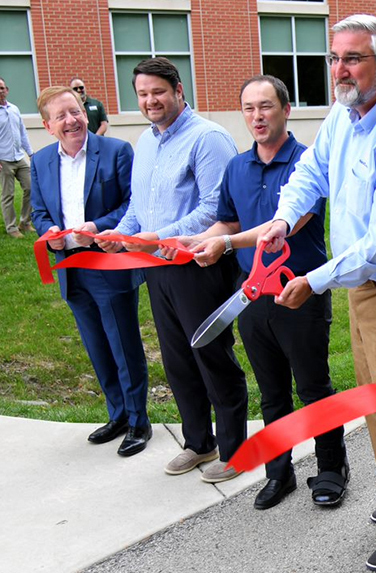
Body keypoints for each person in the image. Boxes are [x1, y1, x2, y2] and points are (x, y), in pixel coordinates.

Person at [262, 14, 376, 572]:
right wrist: (283, 218)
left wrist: (311, 281)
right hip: (362, 291)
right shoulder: (346, 116)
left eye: (354, 58)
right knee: (375, 403)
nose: (340, 69)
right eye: (335, 57)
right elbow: (312, 172)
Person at [178, 74, 349, 509]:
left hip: (300, 292)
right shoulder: (237, 166)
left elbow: (287, 224)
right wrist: (202, 240)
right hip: (252, 297)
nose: (257, 116)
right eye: (249, 108)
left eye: (266, 106)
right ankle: (279, 473)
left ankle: (332, 467)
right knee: (271, 392)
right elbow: (229, 223)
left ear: (286, 109)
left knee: (313, 388)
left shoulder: (308, 163)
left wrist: (227, 243)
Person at [96, 57, 248, 484]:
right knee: (178, 360)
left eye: (158, 92)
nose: (150, 101)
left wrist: (156, 236)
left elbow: (215, 211)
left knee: (212, 358)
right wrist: (122, 235)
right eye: (143, 94)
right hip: (156, 269)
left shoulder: (208, 138)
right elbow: (138, 209)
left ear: (179, 90)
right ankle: (199, 444)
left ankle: (235, 448)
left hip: (200, 266)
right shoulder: (145, 142)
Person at [30, 86, 150, 456]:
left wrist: (98, 227)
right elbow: (39, 212)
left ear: (86, 113)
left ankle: (138, 421)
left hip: (107, 262)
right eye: (61, 116)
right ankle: (117, 414)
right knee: (97, 346)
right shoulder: (41, 161)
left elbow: (134, 204)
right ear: (49, 127)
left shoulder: (116, 151)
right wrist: (48, 234)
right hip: (70, 268)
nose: (71, 121)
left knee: (122, 343)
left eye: (75, 111)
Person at [0, 76, 34, 238]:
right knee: (8, 194)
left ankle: (25, 222)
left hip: (19, 157)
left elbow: (22, 133)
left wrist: (31, 153)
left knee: (31, 188)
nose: (0, 91)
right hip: (3, 160)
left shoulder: (14, 109)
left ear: (7, 90)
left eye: (2, 88)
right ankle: (11, 227)